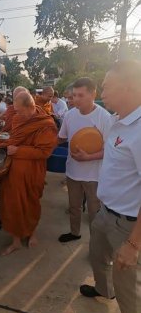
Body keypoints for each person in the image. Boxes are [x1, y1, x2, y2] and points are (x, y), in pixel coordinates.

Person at [80, 60, 141, 313]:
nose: (102, 90)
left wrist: (133, 243)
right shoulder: (120, 121)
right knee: (96, 256)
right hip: (106, 212)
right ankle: (104, 291)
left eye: (107, 86)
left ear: (129, 88)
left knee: (128, 283)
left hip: (128, 223)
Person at [0, 92, 57, 256]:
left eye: (20, 110)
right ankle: (16, 240)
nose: (17, 114)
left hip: (33, 172)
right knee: (13, 204)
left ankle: (32, 233)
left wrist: (18, 150)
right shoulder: (18, 118)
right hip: (14, 172)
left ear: (30, 107)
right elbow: (15, 138)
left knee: (31, 202)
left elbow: (44, 152)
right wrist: (2, 141)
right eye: (15, 110)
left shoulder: (45, 124)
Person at [58, 77, 112, 243]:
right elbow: (61, 138)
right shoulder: (69, 115)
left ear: (93, 94)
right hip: (73, 172)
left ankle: (95, 245)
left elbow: (110, 150)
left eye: (81, 95)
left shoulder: (105, 118)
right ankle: (74, 233)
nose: (75, 100)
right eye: (74, 95)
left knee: (94, 211)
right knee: (74, 207)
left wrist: (88, 157)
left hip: (94, 176)